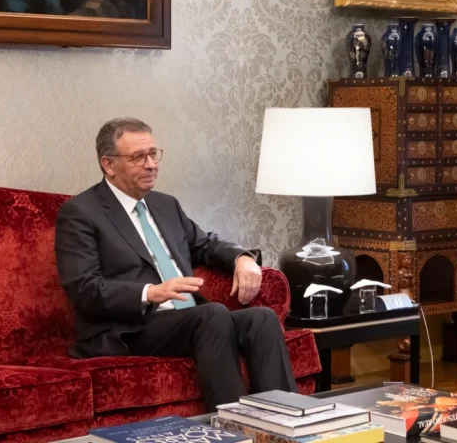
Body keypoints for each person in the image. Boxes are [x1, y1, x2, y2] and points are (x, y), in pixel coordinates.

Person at [55, 118, 296, 410]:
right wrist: (150, 293)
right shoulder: (81, 213)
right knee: (212, 315)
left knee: (262, 319)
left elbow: (206, 244)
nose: (151, 164)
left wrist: (242, 258)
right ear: (108, 164)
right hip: (131, 328)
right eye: (138, 157)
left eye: (153, 154)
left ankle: (285, 424)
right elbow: (84, 287)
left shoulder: (164, 204)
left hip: (186, 319)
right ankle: (235, 430)